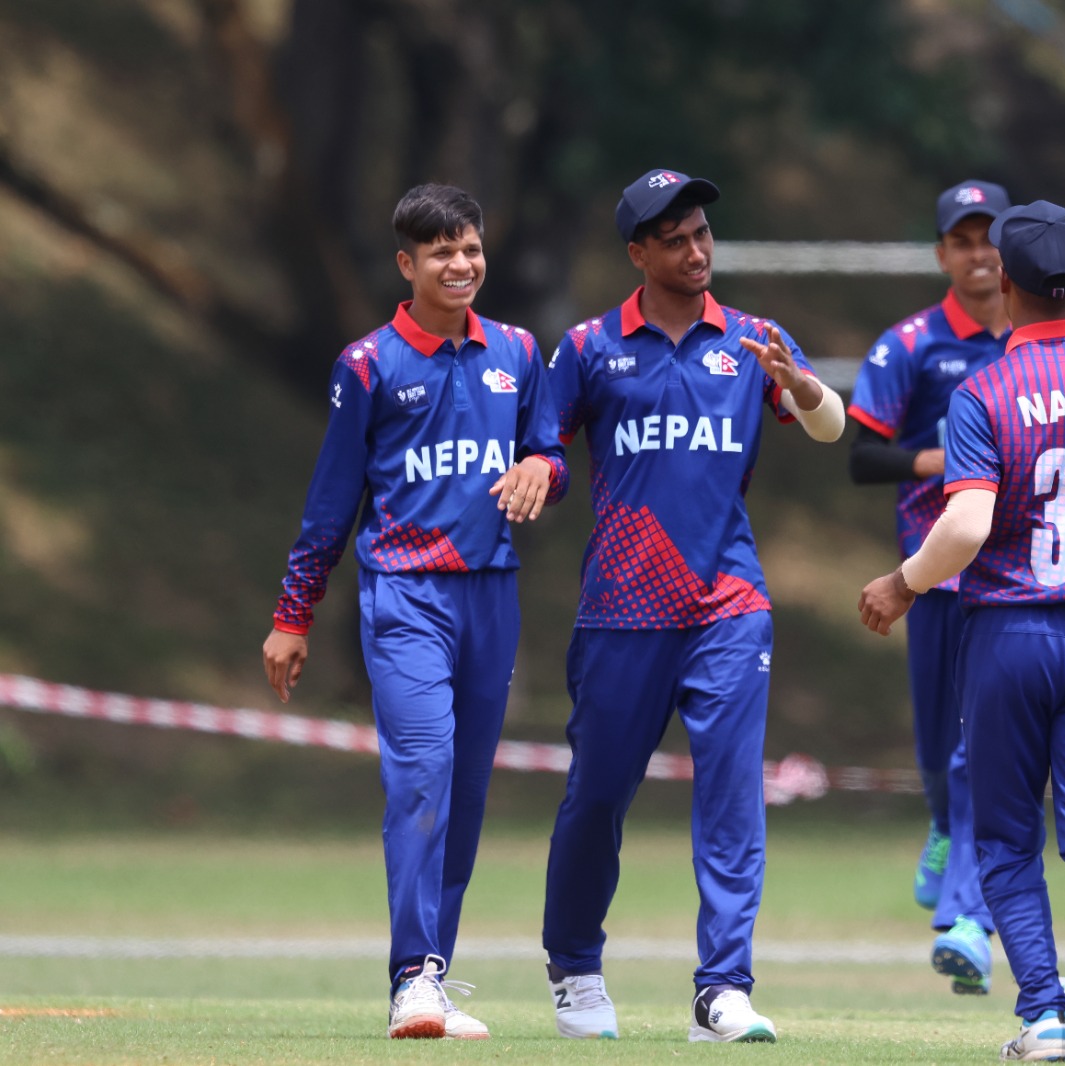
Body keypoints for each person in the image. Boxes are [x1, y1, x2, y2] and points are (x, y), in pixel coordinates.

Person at [860, 200, 1065, 1061]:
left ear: (1005, 285)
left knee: (1008, 838)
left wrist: (903, 585)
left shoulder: (985, 390)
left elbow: (967, 526)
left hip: (1010, 636)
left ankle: (1045, 1016)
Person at [535, 168, 846, 1044]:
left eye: (702, 233)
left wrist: (803, 386)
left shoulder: (752, 340)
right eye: (674, 240)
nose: (696, 250)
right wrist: (535, 474)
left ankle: (723, 990)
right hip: (622, 611)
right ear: (638, 253)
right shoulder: (590, 347)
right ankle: (575, 968)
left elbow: (830, 426)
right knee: (597, 799)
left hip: (729, 606)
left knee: (733, 799)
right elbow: (546, 445)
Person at [261, 183, 566, 1040]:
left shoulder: (517, 351)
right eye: (441, 252)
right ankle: (411, 979)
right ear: (407, 263)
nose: (461, 264)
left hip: (492, 593)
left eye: (470, 248)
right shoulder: (368, 364)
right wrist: (294, 614)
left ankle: (433, 971)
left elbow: (548, 453)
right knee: (422, 773)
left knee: (465, 793)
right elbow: (331, 502)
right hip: (406, 595)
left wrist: (543, 469)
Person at [847, 179, 1012, 993]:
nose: (979, 255)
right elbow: (860, 455)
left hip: (1012, 575)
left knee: (977, 744)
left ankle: (964, 916)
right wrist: (943, 461)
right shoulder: (911, 344)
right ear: (943, 254)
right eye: (963, 241)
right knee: (938, 745)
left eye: (991, 239)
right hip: (932, 567)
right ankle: (945, 827)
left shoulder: (1042, 338)